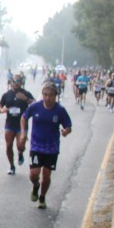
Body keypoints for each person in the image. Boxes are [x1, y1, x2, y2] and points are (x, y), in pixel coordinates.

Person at [20, 81, 73, 210]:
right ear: (42, 95)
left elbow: (68, 126)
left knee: (46, 175)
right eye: (45, 95)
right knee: (34, 174)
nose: (47, 98)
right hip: (36, 146)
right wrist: (23, 133)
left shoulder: (60, 110)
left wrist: (65, 131)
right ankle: (35, 185)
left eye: (50, 95)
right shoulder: (35, 107)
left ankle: (42, 197)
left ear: (55, 95)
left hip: (51, 148)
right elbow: (24, 117)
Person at [0, 74, 35, 175]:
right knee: (8, 146)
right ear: (10, 82)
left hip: (22, 124)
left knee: (21, 146)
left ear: (21, 82)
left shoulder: (26, 93)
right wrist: (2, 110)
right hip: (10, 124)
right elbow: (0, 105)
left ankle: (20, 153)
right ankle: (11, 166)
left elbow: (35, 104)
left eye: (18, 81)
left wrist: (26, 99)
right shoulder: (6, 95)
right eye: (14, 81)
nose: (16, 83)